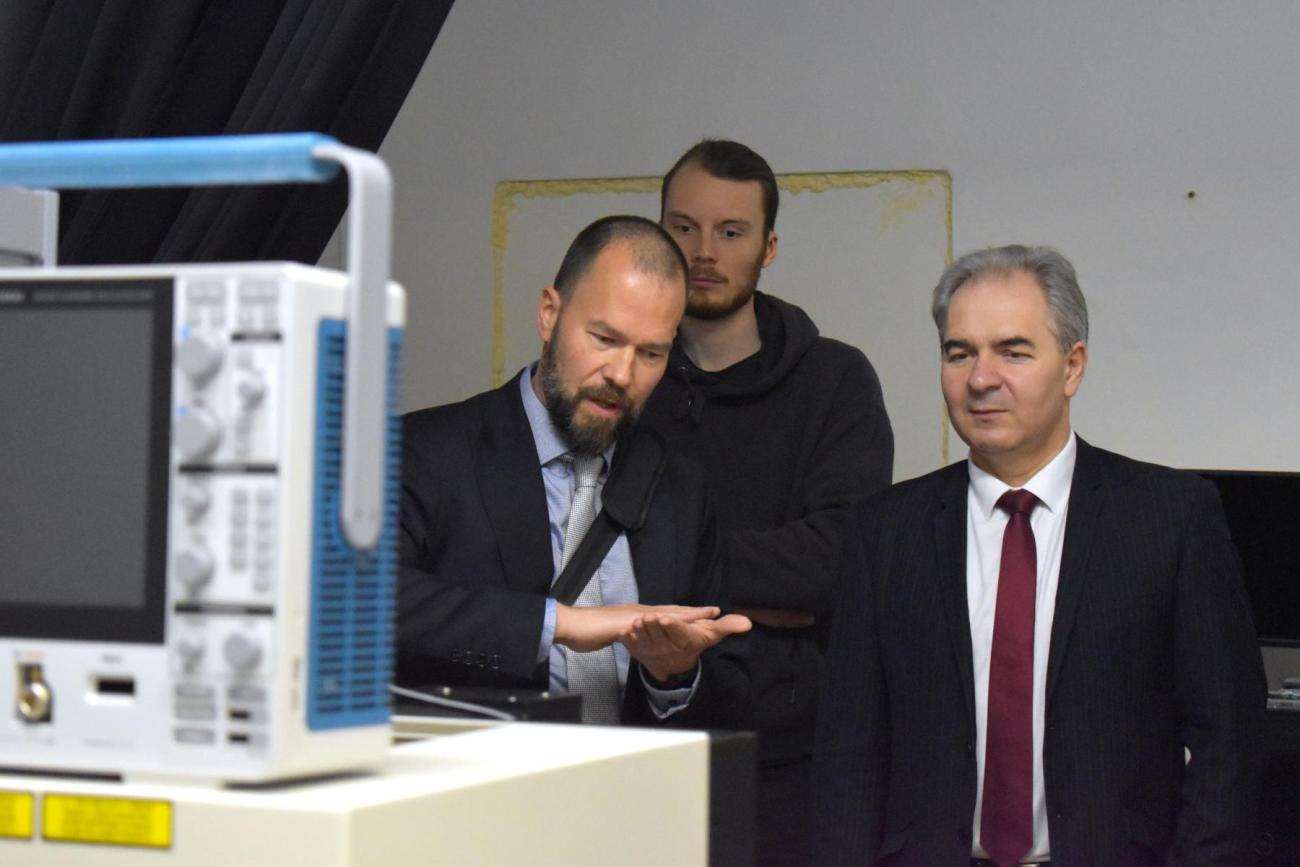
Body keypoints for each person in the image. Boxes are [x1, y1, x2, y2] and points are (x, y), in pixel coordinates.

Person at [814, 244, 1266, 866]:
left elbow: (1229, 740)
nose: (980, 378)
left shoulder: (1171, 517)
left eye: (1013, 351)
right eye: (959, 353)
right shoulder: (885, 530)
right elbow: (848, 753)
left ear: (1072, 367)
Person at [639, 140, 894, 861]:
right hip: (635, 735)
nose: (704, 251)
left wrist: (658, 576)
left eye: (731, 231)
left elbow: (839, 560)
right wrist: (758, 592)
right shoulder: (624, 378)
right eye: (684, 227)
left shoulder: (835, 380)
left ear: (768, 247)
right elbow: (573, 548)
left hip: (790, 754)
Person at [396, 215, 751, 728]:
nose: (622, 374)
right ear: (549, 315)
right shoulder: (427, 451)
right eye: (604, 338)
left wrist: (673, 674)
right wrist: (559, 624)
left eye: (651, 353)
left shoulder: (681, 489)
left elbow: (731, 693)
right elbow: (362, 604)